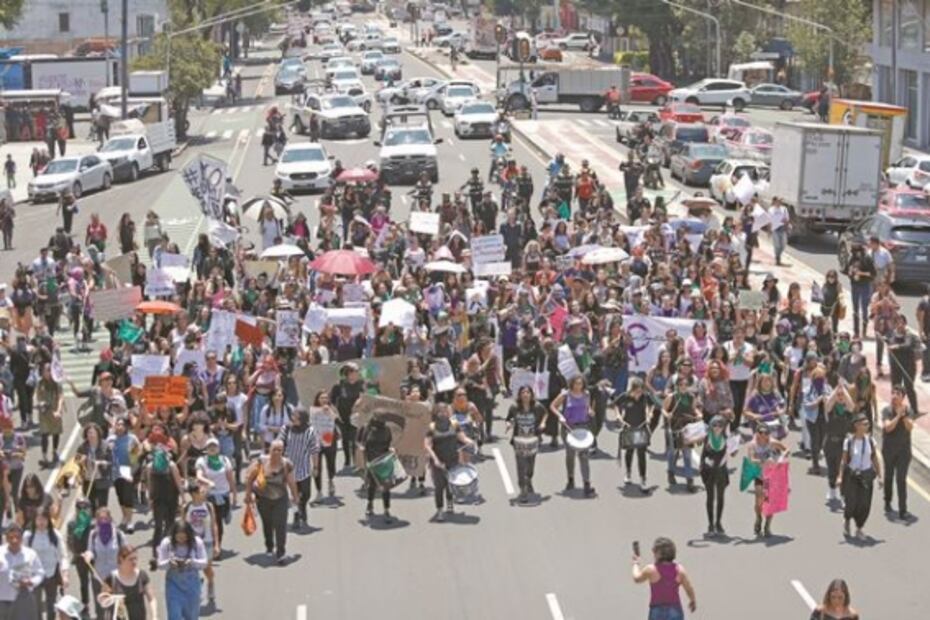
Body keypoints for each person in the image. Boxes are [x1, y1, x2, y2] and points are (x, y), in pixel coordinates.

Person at [243, 439, 299, 564]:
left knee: (280, 525)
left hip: (280, 499)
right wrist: (248, 495)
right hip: (263, 499)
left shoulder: (286, 465)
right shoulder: (261, 462)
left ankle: (281, 553)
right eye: (275, 449)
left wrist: (295, 498)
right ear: (269, 450)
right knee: (267, 523)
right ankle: (269, 544)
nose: (277, 452)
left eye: (280, 450)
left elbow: (291, 482)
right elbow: (249, 478)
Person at [425, 404, 475, 520]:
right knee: (439, 486)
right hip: (438, 461)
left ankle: (450, 502)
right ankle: (439, 510)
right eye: (440, 411)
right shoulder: (432, 427)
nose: (443, 413)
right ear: (436, 413)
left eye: (445, 411)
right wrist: (435, 460)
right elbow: (427, 445)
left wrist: (470, 441)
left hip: (452, 459)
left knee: (450, 483)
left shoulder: (454, 424)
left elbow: (462, 437)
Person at [548, 376, 596, 497]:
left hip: (583, 427)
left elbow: (588, 406)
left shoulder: (586, 394)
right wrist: (560, 416)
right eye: (576, 384)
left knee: (584, 456)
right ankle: (570, 478)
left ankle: (587, 484)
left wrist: (590, 411)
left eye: (580, 384)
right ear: (572, 384)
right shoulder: (566, 395)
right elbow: (553, 406)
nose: (578, 386)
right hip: (568, 428)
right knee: (570, 455)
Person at [837, 414, 883, 539]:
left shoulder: (870, 441)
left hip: (866, 476)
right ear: (857, 425)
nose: (867, 426)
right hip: (852, 476)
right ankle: (846, 520)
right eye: (865, 424)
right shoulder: (849, 441)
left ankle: (859, 528)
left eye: (868, 424)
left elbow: (875, 459)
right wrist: (840, 476)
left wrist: (880, 477)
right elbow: (844, 461)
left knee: (865, 504)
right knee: (851, 502)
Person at [631, 537, 697, 619]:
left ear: (658, 553)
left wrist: (635, 563)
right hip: (675, 609)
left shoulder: (651, 569)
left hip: (657, 610)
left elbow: (637, 578)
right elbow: (689, 588)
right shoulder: (679, 570)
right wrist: (692, 600)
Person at [157, 519, 208, 620]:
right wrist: (169, 563)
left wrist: (192, 562)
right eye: (179, 537)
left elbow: (204, 562)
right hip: (173, 586)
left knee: (192, 616)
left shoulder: (197, 543)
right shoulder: (166, 543)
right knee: (174, 615)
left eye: (184, 537)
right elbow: (160, 564)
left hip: (192, 586)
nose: (181, 540)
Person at [278, 406, 320, 530]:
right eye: (293, 416)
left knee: (306, 494)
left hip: (304, 468)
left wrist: (316, 467)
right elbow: (279, 444)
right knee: (294, 494)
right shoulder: (286, 429)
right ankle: (297, 515)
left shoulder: (311, 431)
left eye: (296, 416)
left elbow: (314, 450)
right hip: (289, 468)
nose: (293, 418)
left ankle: (302, 507)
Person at [24, 508, 68, 620]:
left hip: (51, 574)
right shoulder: (28, 536)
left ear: (48, 520)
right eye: (39, 519)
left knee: (51, 604)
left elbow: (63, 556)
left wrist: (65, 574)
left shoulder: (55, 535)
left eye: (44, 519)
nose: (41, 522)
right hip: (34, 575)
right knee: (36, 605)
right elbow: (23, 557)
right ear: (34, 520)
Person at [745, 423, 788, 537]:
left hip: (771, 475)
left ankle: (767, 526)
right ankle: (758, 518)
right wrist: (762, 461)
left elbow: (786, 449)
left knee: (770, 502)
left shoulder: (773, 442)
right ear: (757, 433)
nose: (763, 435)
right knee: (759, 501)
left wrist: (780, 458)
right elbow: (750, 459)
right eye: (761, 433)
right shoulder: (752, 444)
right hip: (759, 475)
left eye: (766, 433)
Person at [505, 386, 546, 503]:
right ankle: (523, 489)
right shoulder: (514, 407)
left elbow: (545, 414)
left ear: (531, 395)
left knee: (530, 465)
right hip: (519, 440)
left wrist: (542, 423)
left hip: (533, 439)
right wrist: (508, 424)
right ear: (519, 395)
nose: (525, 394)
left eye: (528, 392)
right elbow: (509, 419)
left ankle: (529, 479)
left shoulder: (537, 407)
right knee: (521, 465)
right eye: (523, 392)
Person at [882, 384, 915, 520]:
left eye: (897, 394)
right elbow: (887, 427)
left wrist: (903, 415)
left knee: (901, 479)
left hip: (904, 452)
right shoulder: (886, 410)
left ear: (903, 397)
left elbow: (910, 427)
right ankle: (887, 501)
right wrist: (897, 416)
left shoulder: (908, 411)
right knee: (888, 477)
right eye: (893, 393)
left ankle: (903, 510)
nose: (894, 396)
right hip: (889, 450)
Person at [182, 483, 218, 606]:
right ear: (194, 494)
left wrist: (216, 544)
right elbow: (182, 527)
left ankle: (211, 582)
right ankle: (197, 590)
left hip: (207, 542)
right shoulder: (187, 507)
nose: (204, 493)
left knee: (207, 568)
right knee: (193, 568)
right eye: (202, 491)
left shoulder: (208, 506)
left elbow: (214, 525)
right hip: (191, 543)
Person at [101, 545, 158, 620]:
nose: (134, 562)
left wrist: (154, 616)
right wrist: (113, 599)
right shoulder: (111, 578)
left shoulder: (142, 575)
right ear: (121, 559)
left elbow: (152, 598)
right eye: (130, 559)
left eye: (135, 559)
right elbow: (103, 599)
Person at [0, 524, 44, 619]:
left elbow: (40, 573)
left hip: (23, 599)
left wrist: (31, 582)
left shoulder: (30, 554)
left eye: (17, 537)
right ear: (6, 538)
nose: (14, 540)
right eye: (11, 537)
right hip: (3, 600)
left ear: (22, 538)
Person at [616, 377, 651, 492]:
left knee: (641, 454)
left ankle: (643, 478)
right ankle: (628, 472)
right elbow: (615, 404)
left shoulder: (645, 397)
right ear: (632, 389)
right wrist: (619, 415)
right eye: (636, 391)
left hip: (641, 427)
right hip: (629, 427)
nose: (638, 394)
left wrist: (649, 414)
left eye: (640, 391)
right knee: (629, 451)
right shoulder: (625, 396)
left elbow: (651, 405)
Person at [359, 416, 395, 523]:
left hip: (384, 460)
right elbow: (362, 442)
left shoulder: (387, 429)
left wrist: (390, 449)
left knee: (386, 486)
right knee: (372, 485)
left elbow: (389, 442)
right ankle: (370, 504)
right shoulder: (367, 429)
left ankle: (386, 509)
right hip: (371, 460)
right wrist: (362, 450)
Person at [700, 416, 730, 536]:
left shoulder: (726, 438)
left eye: (720, 426)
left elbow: (732, 452)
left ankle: (718, 523)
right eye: (715, 426)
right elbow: (703, 454)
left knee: (721, 497)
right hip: (710, 471)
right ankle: (710, 524)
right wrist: (706, 462)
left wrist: (734, 449)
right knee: (710, 498)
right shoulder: (707, 438)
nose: (717, 428)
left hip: (721, 471)